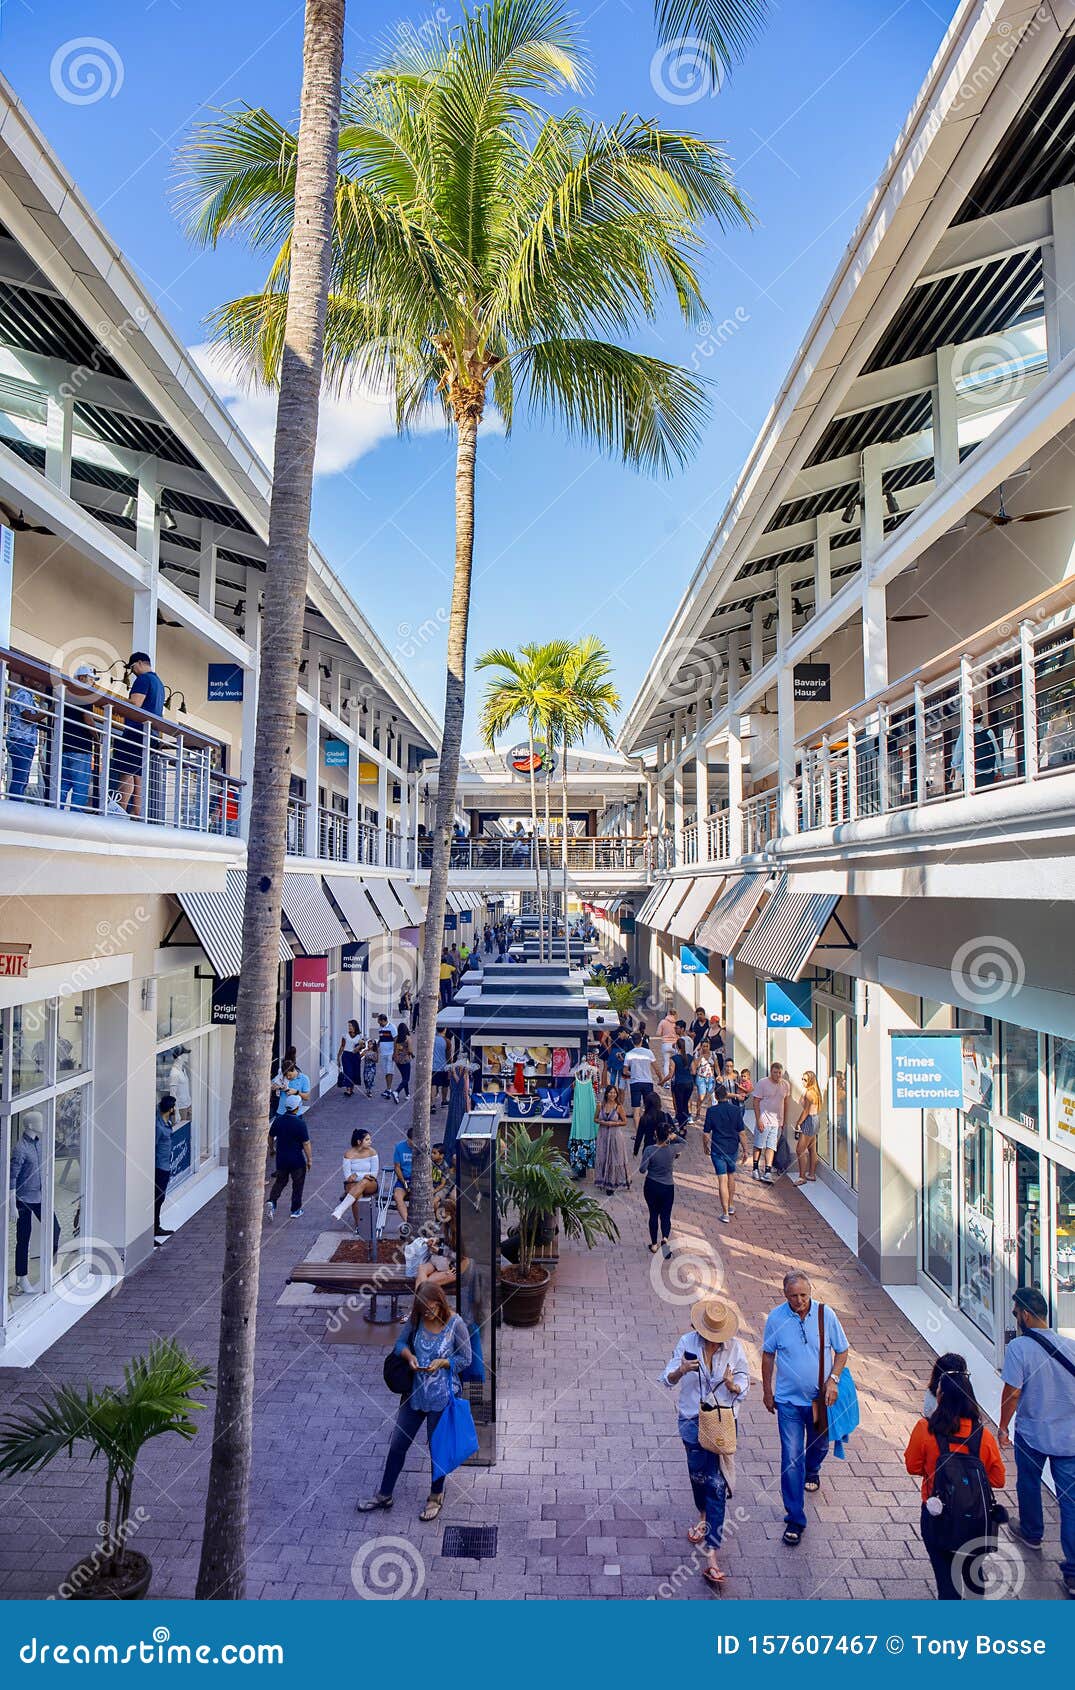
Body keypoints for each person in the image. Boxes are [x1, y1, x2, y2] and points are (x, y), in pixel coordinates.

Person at [357, 1281, 472, 1524]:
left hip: (441, 1397)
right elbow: (399, 1344)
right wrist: (409, 1357)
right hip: (414, 1394)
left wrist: (443, 1363)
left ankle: (436, 1496)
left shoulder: (455, 1324)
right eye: (424, 1310)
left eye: (431, 1309)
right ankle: (384, 1494)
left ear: (440, 1303)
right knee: (398, 1444)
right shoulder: (417, 1319)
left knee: (436, 1448)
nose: (428, 1313)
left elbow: (466, 1359)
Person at [662, 1297, 750, 1589]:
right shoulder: (686, 1343)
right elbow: (667, 1379)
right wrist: (681, 1370)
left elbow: (743, 1386)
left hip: (722, 1423)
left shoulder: (735, 1348)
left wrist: (732, 1385)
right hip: (691, 1419)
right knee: (698, 1477)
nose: (713, 1341)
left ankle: (712, 1556)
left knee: (716, 1485)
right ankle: (702, 1514)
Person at [762, 1269, 849, 1546]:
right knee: (790, 1458)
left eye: (803, 1295)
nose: (799, 1301)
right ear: (784, 1295)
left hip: (819, 1401)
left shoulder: (826, 1315)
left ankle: (813, 1469)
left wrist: (833, 1380)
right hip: (788, 1402)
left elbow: (842, 1350)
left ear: (810, 1292)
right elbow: (768, 1354)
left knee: (819, 1446)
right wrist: (767, 1390)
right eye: (793, 1296)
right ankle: (795, 1519)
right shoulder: (776, 1318)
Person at [998, 1285, 1075, 1596]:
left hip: (1031, 1433)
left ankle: (1031, 1532)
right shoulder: (1070, 1346)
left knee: (1028, 1483)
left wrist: (1002, 1427)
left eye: (1016, 1314)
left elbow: (1013, 1393)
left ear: (1026, 1314)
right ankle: (1073, 1573)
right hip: (1070, 1438)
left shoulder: (1019, 1348)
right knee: (1070, 1504)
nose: (1016, 1319)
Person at [905, 1372, 1005, 1600]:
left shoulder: (925, 1429)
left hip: (937, 1516)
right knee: (974, 1576)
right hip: (976, 1519)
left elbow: (912, 1466)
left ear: (940, 1398)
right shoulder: (983, 1436)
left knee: (946, 1581)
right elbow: (998, 1479)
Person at [10, 1111, 60, 1291]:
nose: (43, 1124)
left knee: (55, 1229)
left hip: (40, 1196)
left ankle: (49, 1269)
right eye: (39, 1121)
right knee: (23, 1238)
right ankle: (22, 1278)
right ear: (30, 1125)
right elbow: (12, 1177)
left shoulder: (39, 1144)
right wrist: (12, 1205)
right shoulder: (20, 1148)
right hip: (23, 1199)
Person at [115, 653, 165, 817]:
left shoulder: (143, 679)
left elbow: (136, 703)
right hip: (151, 735)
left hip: (136, 731)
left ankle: (119, 810)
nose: (133, 672)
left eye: (132, 667)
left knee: (126, 771)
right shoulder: (159, 684)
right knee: (138, 775)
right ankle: (137, 812)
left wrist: (115, 701)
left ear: (141, 663)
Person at [266, 1090, 312, 1221]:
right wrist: (310, 1159)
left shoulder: (278, 1121)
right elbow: (306, 1143)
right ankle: (295, 1209)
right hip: (297, 1160)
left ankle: (272, 1201)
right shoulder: (300, 1123)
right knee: (298, 1184)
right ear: (297, 1107)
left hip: (281, 1159)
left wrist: (272, 1149)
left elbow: (270, 1136)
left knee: (280, 1181)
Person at [60, 666, 99, 811]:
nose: (92, 683)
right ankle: (75, 818)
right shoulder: (84, 694)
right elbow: (87, 718)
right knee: (80, 788)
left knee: (62, 785)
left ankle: (56, 814)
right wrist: (97, 738)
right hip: (80, 748)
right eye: (91, 679)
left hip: (63, 746)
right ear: (81, 678)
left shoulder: (65, 694)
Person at [703, 1084, 743, 1225]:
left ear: (715, 1096)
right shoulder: (736, 1110)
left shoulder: (711, 1111)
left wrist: (705, 1146)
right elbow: (741, 1132)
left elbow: (706, 1133)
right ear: (726, 1095)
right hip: (732, 1148)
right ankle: (731, 1205)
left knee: (722, 1180)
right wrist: (746, 1149)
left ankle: (725, 1213)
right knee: (731, 1176)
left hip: (718, 1149)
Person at [640, 1120, 678, 1258]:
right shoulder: (673, 1149)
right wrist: (675, 1137)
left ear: (655, 1134)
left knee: (653, 1214)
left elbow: (642, 1169)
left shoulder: (649, 1150)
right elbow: (684, 1144)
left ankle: (654, 1244)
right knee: (666, 1215)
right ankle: (666, 1239)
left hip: (652, 1184)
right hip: (668, 1186)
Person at [5, 673, 44, 800]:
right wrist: (47, 713)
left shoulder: (29, 696)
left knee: (22, 777)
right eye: (35, 679)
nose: (38, 682)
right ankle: (15, 805)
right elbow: (28, 717)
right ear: (27, 678)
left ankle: (16, 804)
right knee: (20, 777)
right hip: (21, 740)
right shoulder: (23, 694)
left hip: (24, 740)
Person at [752, 1060, 790, 1183]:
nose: (778, 1075)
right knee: (759, 1145)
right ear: (771, 1072)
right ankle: (755, 1168)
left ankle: (767, 1171)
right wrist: (758, 1120)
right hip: (763, 1120)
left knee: (771, 1146)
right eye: (775, 1072)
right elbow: (756, 1102)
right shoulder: (762, 1083)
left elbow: (785, 1103)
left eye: (780, 1073)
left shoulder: (785, 1085)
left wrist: (783, 1121)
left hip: (776, 1123)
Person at [567, 1050, 601, 1178]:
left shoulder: (591, 1071)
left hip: (584, 1111)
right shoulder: (578, 1072)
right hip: (582, 1112)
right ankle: (581, 1168)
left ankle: (580, 1167)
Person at [339, 1128, 379, 1232]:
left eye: (370, 1139)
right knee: (357, 1195)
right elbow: (348, 1177)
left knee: (364, 1182)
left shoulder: (372, 1152)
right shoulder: (348, 1154)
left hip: (370, 1183)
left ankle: (341, 1208)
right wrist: (364, 1175)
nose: (370, 1141)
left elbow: (374, 1174)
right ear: (359, 1142)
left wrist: (358, 1175)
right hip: (352, 1185)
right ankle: (359, 1226)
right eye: (367, 1139)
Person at [594, 1084, 630, 1194]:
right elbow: (595, 1119)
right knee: (603, 1156)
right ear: (606, 1094)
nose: (612, 1095)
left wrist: (614, 1123)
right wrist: (602, 1122)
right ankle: (603, 1180)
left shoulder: (619, 1107)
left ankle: (613, 1182)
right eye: (610, 1092)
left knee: (614, 1158)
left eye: (614, 1093)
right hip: (603, 1135)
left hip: (615, 1136)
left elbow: (625, 1122)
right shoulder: (600, 1105)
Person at [152, 1092, 177, 1245]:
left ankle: (157, 1226)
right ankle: (153, 1229)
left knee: (160, 1199)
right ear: (171, 1109)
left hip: (165, 1165)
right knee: (157, 1198)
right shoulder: (158, 1127)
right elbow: (153, 1146)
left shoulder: (166, 1122)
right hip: (159, 1167)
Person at [623, 1031, 657, 1130]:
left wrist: (633, 1073)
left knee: (636, 1110)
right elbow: (656, 1068)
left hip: (635, 1083)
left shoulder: (629, 1054)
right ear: (641, 1041)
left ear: (632, 1042)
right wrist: (661, 1079)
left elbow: (625, 1071)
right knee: (649, 1108)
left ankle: (638, 1133)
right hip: (647, 1082)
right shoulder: (649, 1052)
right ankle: (649, 1130)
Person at [794, 1070, 823, 1185]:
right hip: (815, 1119)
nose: (803, 1081)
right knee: (812, 1148)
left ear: (810, 1080)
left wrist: (798, 1122)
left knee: (800, 1150)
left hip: (809, 1120)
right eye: (802, 1079)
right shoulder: (814, 1092)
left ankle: (802, 1177)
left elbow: (806, 1111)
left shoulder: (810, 1094)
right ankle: (811, 1174)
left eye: (805, 1080)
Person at [669, 1036, 695, 1129]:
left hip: (679, 1084)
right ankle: (685, 1122)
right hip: (689, 1083)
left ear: (677, 1046)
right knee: (685, 1104)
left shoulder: (674, 1058)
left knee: (679, 1105)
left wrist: (662, 1081)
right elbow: (694, 1071)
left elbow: (670, 1074)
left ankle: (682, 1126)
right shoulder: (690, 1057)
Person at [392, 1126, 414, 1230]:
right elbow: (397, 1167)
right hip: (404, 1178)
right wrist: (404, 1182)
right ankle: (407, 1223)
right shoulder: (399, 1147)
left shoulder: (424, 1147)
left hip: (419, 1180)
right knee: (397, 1196)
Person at [690, 1039, 717, 1123]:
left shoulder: (713, 1054)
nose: (705, 1048)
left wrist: (719, 1075)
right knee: (701, 1097)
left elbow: (716, 1066)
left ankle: (710, 1115)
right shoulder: (697, 1054)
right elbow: (695, 1065)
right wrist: (701, 1056)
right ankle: (698, 1114)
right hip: (701, 1077)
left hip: (711, 1077)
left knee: (710, 1097)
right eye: (703, 1046)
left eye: (707, 1046)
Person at [336, 1019, 362, 1096]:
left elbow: (361, 1047)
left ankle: (351, 1089)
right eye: (349, 1026)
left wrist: (360, 1046)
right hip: (346, 1055)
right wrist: (338, 1056)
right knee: (348, 1072)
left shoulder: (359, 1036)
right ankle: (348, 1090)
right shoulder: (345, 1036)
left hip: (355, 1056)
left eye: (351, 1026)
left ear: (355, 1026)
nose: (349, 1027)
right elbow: (342, 1046)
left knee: (354, 1072)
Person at [375, 1013, 398, 1099]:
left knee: (389, 1071)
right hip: (383, 1053)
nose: (378, 1023)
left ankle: (389, 1089)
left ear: (383, 1020)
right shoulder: (380, 1028)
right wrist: (376, 1046)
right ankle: (388, 1088)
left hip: (390, 1053)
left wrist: (395, 1053)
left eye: (379, 1021)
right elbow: (381, 1039)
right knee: (385, 1071)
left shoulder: (392, 1027)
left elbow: (396, 1039)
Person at [656, 1006, 678, 1084]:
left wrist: (664, 1034)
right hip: (675, 1044)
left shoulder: (663, 1022)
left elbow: (658, 1033)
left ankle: (667, 1082)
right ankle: (675, 1079)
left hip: (665, 1044)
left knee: (666, 1062)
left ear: (668, 1013)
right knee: (676, 1062)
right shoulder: (676, 1022)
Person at [431, 1026, 450, 1111]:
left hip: (433, 1066)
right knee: (445, 1085)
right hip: (443, 1067)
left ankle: (432, 1104)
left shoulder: (431, 1039)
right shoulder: (447, 1041)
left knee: (433, 1084)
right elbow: (449, 1056)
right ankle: (444, 1100)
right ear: (445, 1030)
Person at [392, 1024, 413, 1103]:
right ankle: (396, 1091)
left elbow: (394, 1049)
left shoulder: (396, 1038)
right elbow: (410, 1050)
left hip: (398, 1061)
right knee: (406, 1079)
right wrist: (410, 1053)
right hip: (405, 1060)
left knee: (404, 1077)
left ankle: (407, 1094)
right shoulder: (408, 1038)